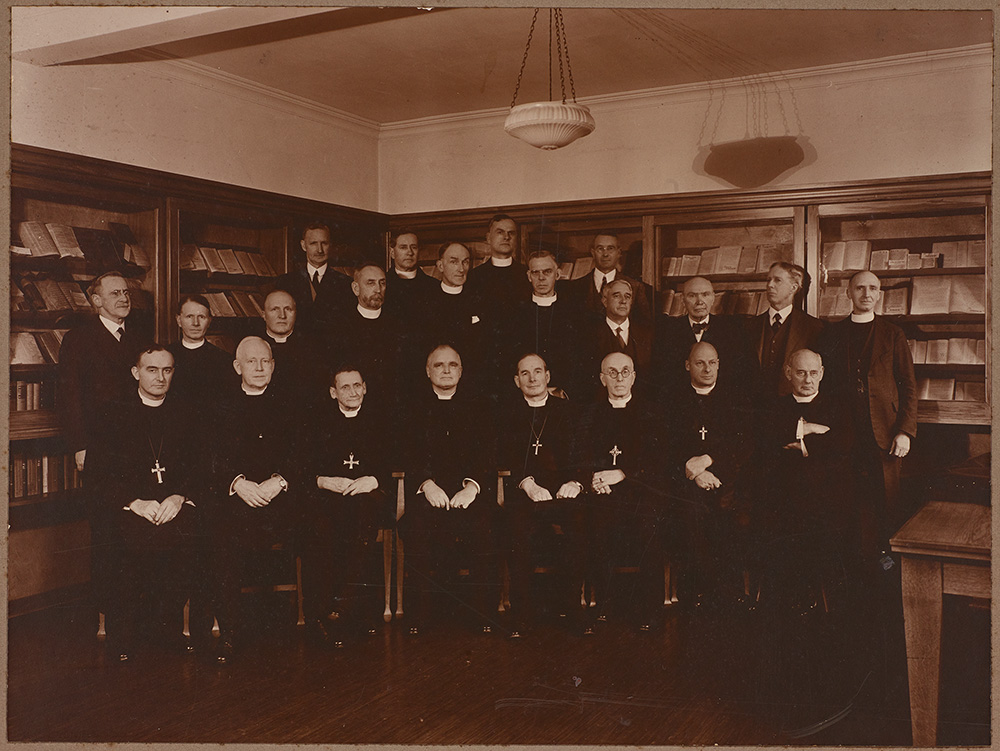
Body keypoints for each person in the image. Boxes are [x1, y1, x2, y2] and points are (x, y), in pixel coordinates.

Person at [87, 346, 198, 662]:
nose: (160, 377)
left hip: (173, 507)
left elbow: (201, 467)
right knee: (124, 541)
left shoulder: (187, 413)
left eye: (167, 370)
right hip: (129, 508)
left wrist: (179, 498)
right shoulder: (112, 413)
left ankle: (168, 629)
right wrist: (133, 502)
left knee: (191, 535)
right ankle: (122, 635)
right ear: (136, 372)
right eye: (152, 369)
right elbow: (97, 475)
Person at [58, 270, 150, 627]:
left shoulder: (140, 338)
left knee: (136, 524)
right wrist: (80, 447)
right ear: (95, 300)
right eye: (114, 293)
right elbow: (68, 399)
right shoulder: (78, 340)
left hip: (139, 448)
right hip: (99, 449)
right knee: (107, 530)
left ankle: (139, 608)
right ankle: (110, 617)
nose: (123, 298)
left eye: (125, 292)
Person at [818, 270, 917, 566]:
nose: (866, 293)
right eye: (860, 288)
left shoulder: (892, 334)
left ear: (879, 294)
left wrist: (905, 431)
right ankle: (852, 567)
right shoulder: (832, 333)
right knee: (845, 503)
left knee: (886, 502)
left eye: (872, 288)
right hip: (843, 435)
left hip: (884, 435)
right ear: (849, 293)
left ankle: (885, 566)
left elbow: (909, 385)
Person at [398, 344, 497, 635]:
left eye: (452, 365)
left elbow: (487, 455)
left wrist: (471, 488)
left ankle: (483, 614)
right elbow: (408, 452)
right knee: (417, 524)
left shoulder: (480, 407)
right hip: (429, 492)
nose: (445, 371)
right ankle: (420, 616)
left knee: (486, 524)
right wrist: (427, 484)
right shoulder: (413, 408)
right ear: (428, 371)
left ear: (461, 371)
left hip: (468, 493)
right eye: (439, 365)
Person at [211, 336, 299, 663]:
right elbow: (212, 457)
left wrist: (279, 480)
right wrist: (237, 483)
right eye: (252, 362)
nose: (260, 368)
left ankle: (320, 618)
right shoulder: (220, 405)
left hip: (282, 498)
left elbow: (303, 452)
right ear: (237, 367)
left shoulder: (291, 403)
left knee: (319, 525)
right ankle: (231, 631)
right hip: (240, 499)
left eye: (266, 361)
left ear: (274, 365)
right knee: (220, 535)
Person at [755, 349, 853, 614]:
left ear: (821, 374)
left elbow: (842, 445)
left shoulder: (838, 406)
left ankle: (819, 601)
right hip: (784, 499)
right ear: (788, 374)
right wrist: (811, 430)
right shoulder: (774, 406)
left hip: (826, 499)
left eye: (813, 373)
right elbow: (770, 437)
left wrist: (801, 441)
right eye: (800, 373)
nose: (807, 380)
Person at [498, 353, 588, 638]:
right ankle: (521, 615)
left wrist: (574, 482)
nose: (533, 378)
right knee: (516, 528)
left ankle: (573, 609)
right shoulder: (508, 413)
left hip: (564, 491)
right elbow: (506, 457)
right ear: (517, 381)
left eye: (538, 372)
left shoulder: (569, 411)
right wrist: (527, 483)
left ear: (548, 376)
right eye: (525, 373)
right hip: (525, 492)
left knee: (579, 523)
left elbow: (584, 456)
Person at [301, 366, 389, 649]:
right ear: (332, 392)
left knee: (363, 521)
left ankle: (349, 609)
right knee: (322, 530)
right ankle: (321, 614)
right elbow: (306, 469)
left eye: (357, 386)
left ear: (364, 387)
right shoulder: (317, 422)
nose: (352, 392)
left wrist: (372, 479)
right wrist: (325, 481)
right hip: (329, 499)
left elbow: (393, 460)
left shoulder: (380, 421)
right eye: (344, 387)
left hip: (368, 497)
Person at [579, 352, 666, 632]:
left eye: (625, 371)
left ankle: (650, 610)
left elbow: (659, 461)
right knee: (594, 524)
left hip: (640, 491)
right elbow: (579, 455)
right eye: (612, 372)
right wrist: (593, 479)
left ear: (634, 377)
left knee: (648, 524)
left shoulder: (651, 412)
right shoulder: (589, 414)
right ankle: (602, 604)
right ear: (602, 378)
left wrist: (623, 474)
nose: (619, 378)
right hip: (601, 493)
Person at [665, 342, 753, 610]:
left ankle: (732, 590)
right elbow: (666, 445)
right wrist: (694, 473)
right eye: (700, 363)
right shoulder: (673, 400)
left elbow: (744, 444)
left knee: (730, 511)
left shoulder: (736, 399)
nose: (706, 369)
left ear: (719, 365)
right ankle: (699, 591)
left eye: (712, 363)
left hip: (728, 477)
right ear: (687, 365)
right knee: (692, 512)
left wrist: (709, 461)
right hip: (686, 480)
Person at [499, 250, 587, 399]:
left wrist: (564, 390)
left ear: (557, 274)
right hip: (525, 396)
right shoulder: (514, 316)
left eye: (547, 272)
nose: (541, 278)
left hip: (566, 396)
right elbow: (508, 360)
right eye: (535, 273)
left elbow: (581, 360)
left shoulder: (575, 314)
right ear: (528, 276)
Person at [654, 276, 752, 398]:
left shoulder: (733, 331)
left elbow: (743, 377)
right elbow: (661, 377)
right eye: (692, 295)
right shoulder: (666, 332)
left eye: (705, 295)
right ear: (683, 300)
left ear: (713, 298)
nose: (699, 301)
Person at [747, 261, 824, 398]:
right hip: (754, 409)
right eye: (768, 280)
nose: (770, 285)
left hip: (792, 408)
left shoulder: (814, 327)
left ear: (793, 288)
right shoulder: (750, 326)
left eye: (777, 280)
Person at [326, 264, 397, 403]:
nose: (378, 289)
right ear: (355, 289)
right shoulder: (339, 327)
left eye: (382, 283)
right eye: (370, 283)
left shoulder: (398, 326)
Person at [273, 222, 352, 334]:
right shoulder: (285, 282)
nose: (319, 250)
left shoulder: (345, 283)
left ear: (330, 245)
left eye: (324, 243)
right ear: (303, 245)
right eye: (313, 243)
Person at [166, 294, 236, 411]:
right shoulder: (166, 355)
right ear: (179, 320)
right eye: (189, 317)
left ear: (209, 321)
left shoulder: (223, 359)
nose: (196, 323)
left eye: (201, 317)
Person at [589, 278, 654, 397]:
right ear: (604, 301)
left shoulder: (648, 334)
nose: (623, 301)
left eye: (627, 296)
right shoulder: (589, 336)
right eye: (616, 296)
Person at [565, 234, 652, 322]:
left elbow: (643, 326)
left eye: (610, 248)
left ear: (618, 253)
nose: (605, 254)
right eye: (600, 249)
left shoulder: (635, 287)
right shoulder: (575, 287)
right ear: (593, 252)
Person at [258, 289, 322, 406]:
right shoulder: (252, 346)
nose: (282, 315)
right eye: (274, 309)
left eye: (288, 309)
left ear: (295, 314)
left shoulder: (313, 348)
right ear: (264, 315)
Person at [467, 214, 530, 323]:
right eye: (500, 232)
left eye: (511, 233)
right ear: (488, 238)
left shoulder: (527, 274)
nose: (506, 237)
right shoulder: (474, 277)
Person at [384, 229, 437, 316]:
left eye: (414, 247)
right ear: (392, 253)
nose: (410, 252)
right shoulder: (382, 285)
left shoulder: (433, 286)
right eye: (403, 247)